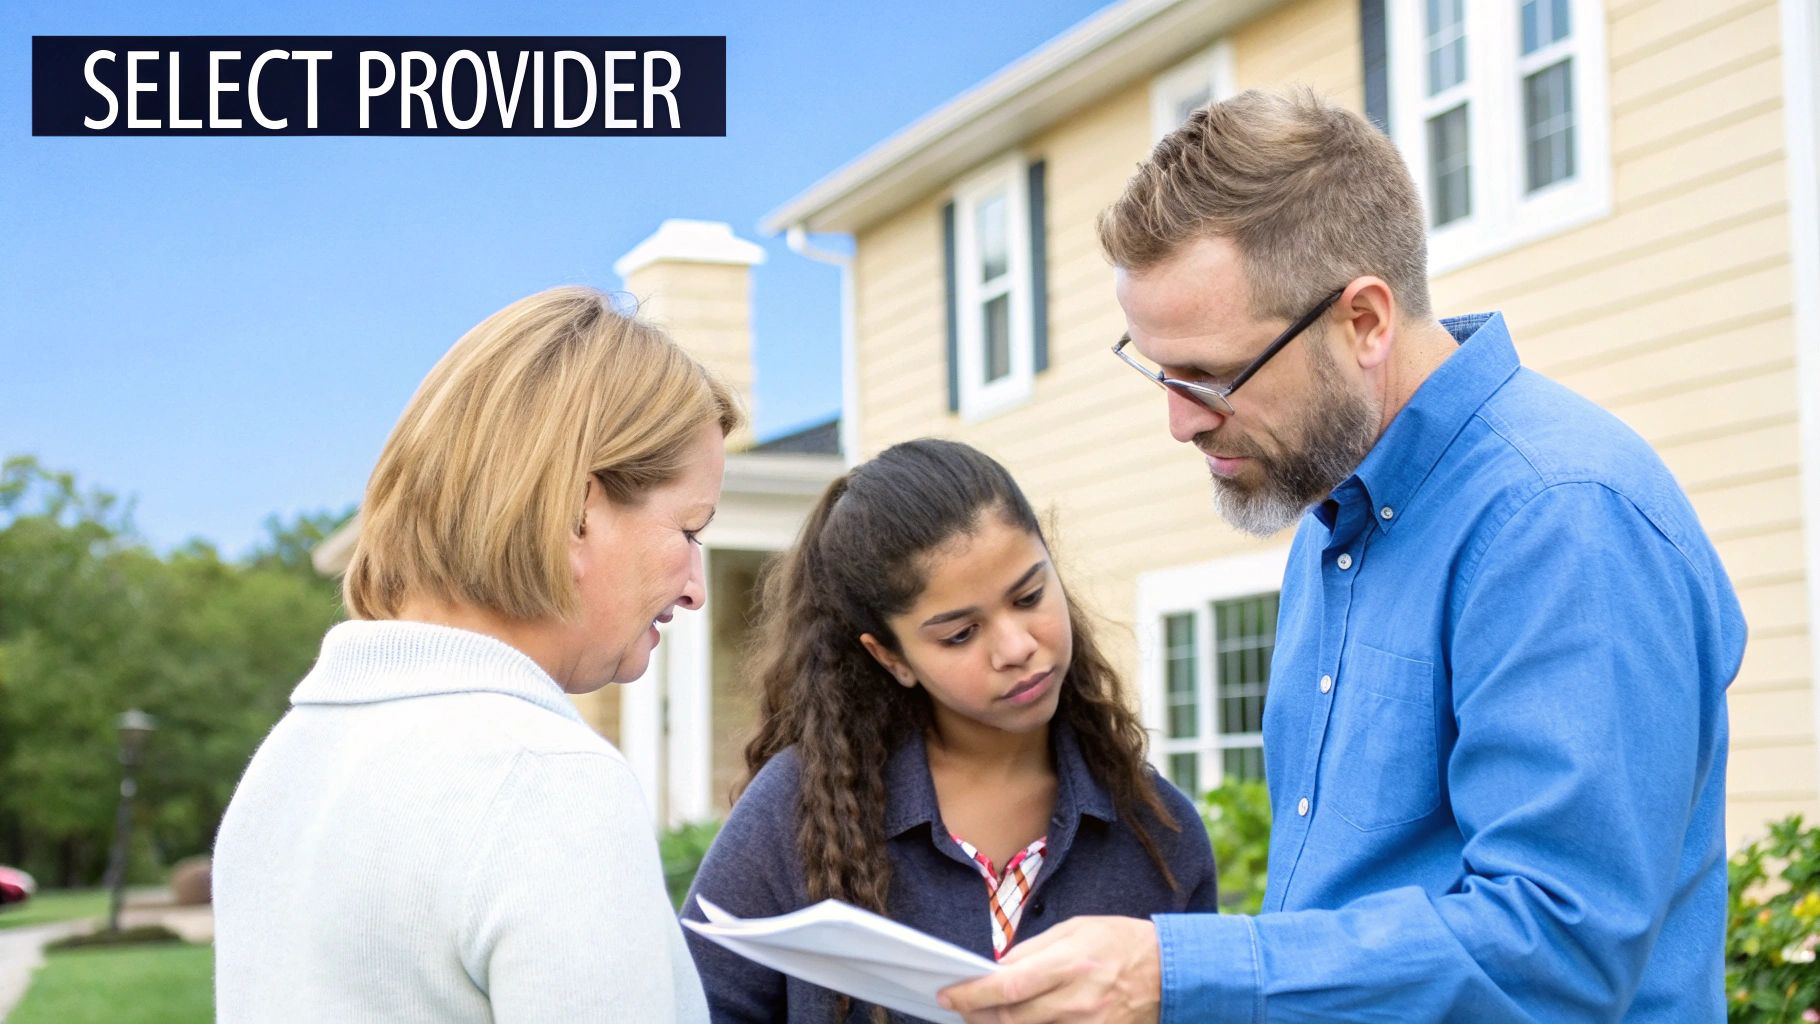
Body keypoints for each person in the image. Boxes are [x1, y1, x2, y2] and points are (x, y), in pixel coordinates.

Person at [941, 89, 1747, 1022]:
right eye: (1158, 371)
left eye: (1210, 376)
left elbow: (1557, 945)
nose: (1179, 420)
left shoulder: (1560, 519)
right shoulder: (1335, 514)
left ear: (1364, 320)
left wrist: (1176, 974)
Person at [214, 285, 735, 1022]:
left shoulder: (288, 762)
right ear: (576, 513)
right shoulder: (549, 779)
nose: (694, 590)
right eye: (689, 531)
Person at [680, 438, 1217, 1022]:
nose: (1016, 647)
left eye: (1030, 595)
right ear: (892, 658)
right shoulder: (796, 813)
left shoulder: (1161, 836)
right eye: (960, 634)